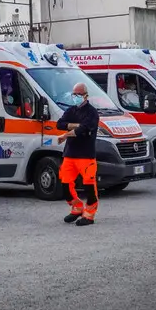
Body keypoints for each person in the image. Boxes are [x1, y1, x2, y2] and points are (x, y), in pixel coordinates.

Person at [56, 82, 100, 226]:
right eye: (74, 94)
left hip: (86, 155)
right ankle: (77, 207)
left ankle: (89, 214)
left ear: (86, 95)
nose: (75, 97)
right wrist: (75, 126)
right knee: (65, 184)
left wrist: (66, 134)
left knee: (89, 186)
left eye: (78, 94)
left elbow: (85, 129)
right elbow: (59, 124)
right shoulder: (71, 110)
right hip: (70, 154)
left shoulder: (92, 112)